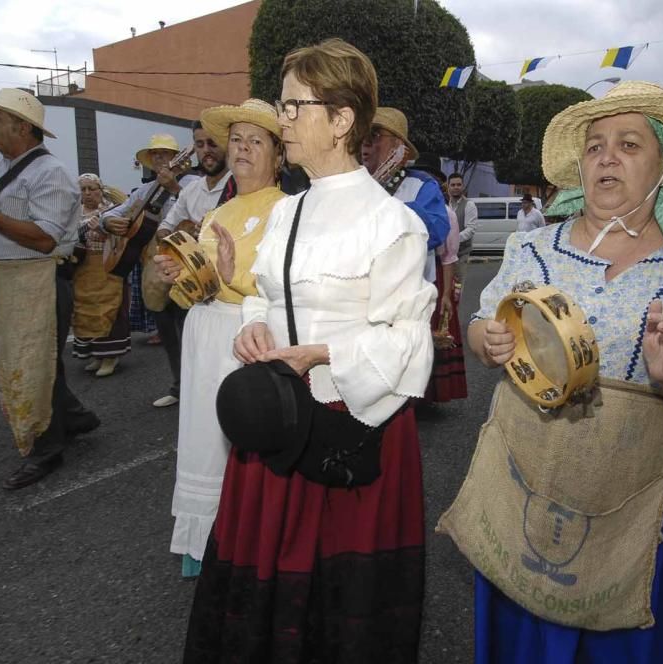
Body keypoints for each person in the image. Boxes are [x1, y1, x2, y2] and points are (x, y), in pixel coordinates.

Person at [468, 81, 663, 662]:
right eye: (596, 145)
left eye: (629, 144)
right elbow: (482, 323)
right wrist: (490, 340)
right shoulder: (532, 250)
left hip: (642, 509)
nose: (607, 156)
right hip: (526, 485)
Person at [183, 38, 435, 662]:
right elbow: (267, 293)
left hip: (351, 423)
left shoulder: (393, 223)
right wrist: (255, 326)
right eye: (282, 104)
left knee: (335, 593)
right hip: (277, 421)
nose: (283, 119)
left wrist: (319, 354)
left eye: (294, 106)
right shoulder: (288, 211)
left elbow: (408, 341)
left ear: (343, 120)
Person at [0, 88, 99, 490]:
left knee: (32, 367)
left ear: (22, 126)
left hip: (41, 280)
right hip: (17, 282)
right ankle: (75, 417)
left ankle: (46, 449)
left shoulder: (50, 174)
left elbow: (44, 238)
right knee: (41, 362)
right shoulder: (3, 169)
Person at [152, 99, 285, 578]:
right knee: (203, 437)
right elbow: (195, 292)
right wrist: (178, 276)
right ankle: (203, 541)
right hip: (204, 333)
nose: (243, 148)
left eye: (257, 140)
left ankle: (240, 542)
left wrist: (233, 277)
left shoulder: (286, 210)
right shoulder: (216, 211)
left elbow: (280, 289)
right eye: (236, 139)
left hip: (244, 337)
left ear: (278, 154)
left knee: (238, 438)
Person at [101, 135, 199, 407]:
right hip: (153, 271)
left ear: (178, 158)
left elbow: (203, 211)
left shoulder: (193, 183)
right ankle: (179, 387)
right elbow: (112, 213)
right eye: (155, 154)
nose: (159, 159)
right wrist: (109, 223)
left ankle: (199, 387)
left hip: (184, 267)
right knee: (168, 332)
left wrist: (175, 187)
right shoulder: (144, 191)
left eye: (165, 154)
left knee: (190, 331)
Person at [360, 105, 449, 283]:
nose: (365, 142)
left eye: (375, 135)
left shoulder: (422, 185)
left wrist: (384, 206)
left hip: (409, 301)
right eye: (362, 135)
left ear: (399, 146)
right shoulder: (352, 184)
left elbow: (436, 230)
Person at [412, 154, 467, 403]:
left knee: (432, 332)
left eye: (433, 179)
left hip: (434, 276)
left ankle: (431, 392)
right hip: (411, 276)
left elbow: (448, 257)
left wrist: (446, 294)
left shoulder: (447, 214)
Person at [71, 174, 131, 377]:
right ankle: (96, 354)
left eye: (91, 188)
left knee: (108, 308)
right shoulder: (74, 213)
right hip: (82, 268)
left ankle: (110, 356)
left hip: (107, 265)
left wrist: (105, 229)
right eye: (83, 189)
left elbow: (124, 235)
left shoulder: (110, 211)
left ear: (100, 189)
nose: (87, 193)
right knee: (86, 310)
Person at [156, 120, 235, 242]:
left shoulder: (239, 187)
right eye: (200, 145)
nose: (206, 150)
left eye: (212, 143)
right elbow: (165, 227)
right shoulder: (191, 190)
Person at [447, 172, 479, 290]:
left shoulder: (469, 205)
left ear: (463, 186)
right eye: (453, 185)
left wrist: (453, 239)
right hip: (446, 254)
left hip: (461, 254)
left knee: (459, 287)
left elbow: (471, 229)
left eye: (458, 185)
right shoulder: (445, 205)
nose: (456, 187)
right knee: (446, 286)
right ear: (448, 187)